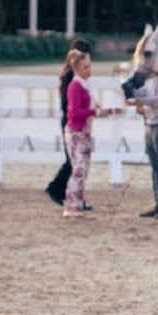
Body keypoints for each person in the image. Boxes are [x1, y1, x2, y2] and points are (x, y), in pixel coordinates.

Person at [62, 52, 119, 218]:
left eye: (89, 66)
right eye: (85, 67)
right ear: (77, 68)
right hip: (76, 132)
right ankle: (72, 205)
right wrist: (96, 111)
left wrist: (103, 111)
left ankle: (76, 204)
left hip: (83, 132)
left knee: (82, 170)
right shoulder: (76, 86)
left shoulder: (84, 85)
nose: (89, 70)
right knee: (79, 169)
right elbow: (74, 113)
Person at [124, 63, 158, 219]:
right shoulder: (151, 80)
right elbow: (143, 93)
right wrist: (130, 89)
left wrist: (139, 100)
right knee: (156, 165)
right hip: (150, 123)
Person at [46, 40, 92, 207]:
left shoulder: (71, 75)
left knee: (73, 161)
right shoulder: (72, 78)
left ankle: (65, 192)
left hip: (72, 121)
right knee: (74, 162)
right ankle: (60, 190)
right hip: (72, 122)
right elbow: (71, 105)